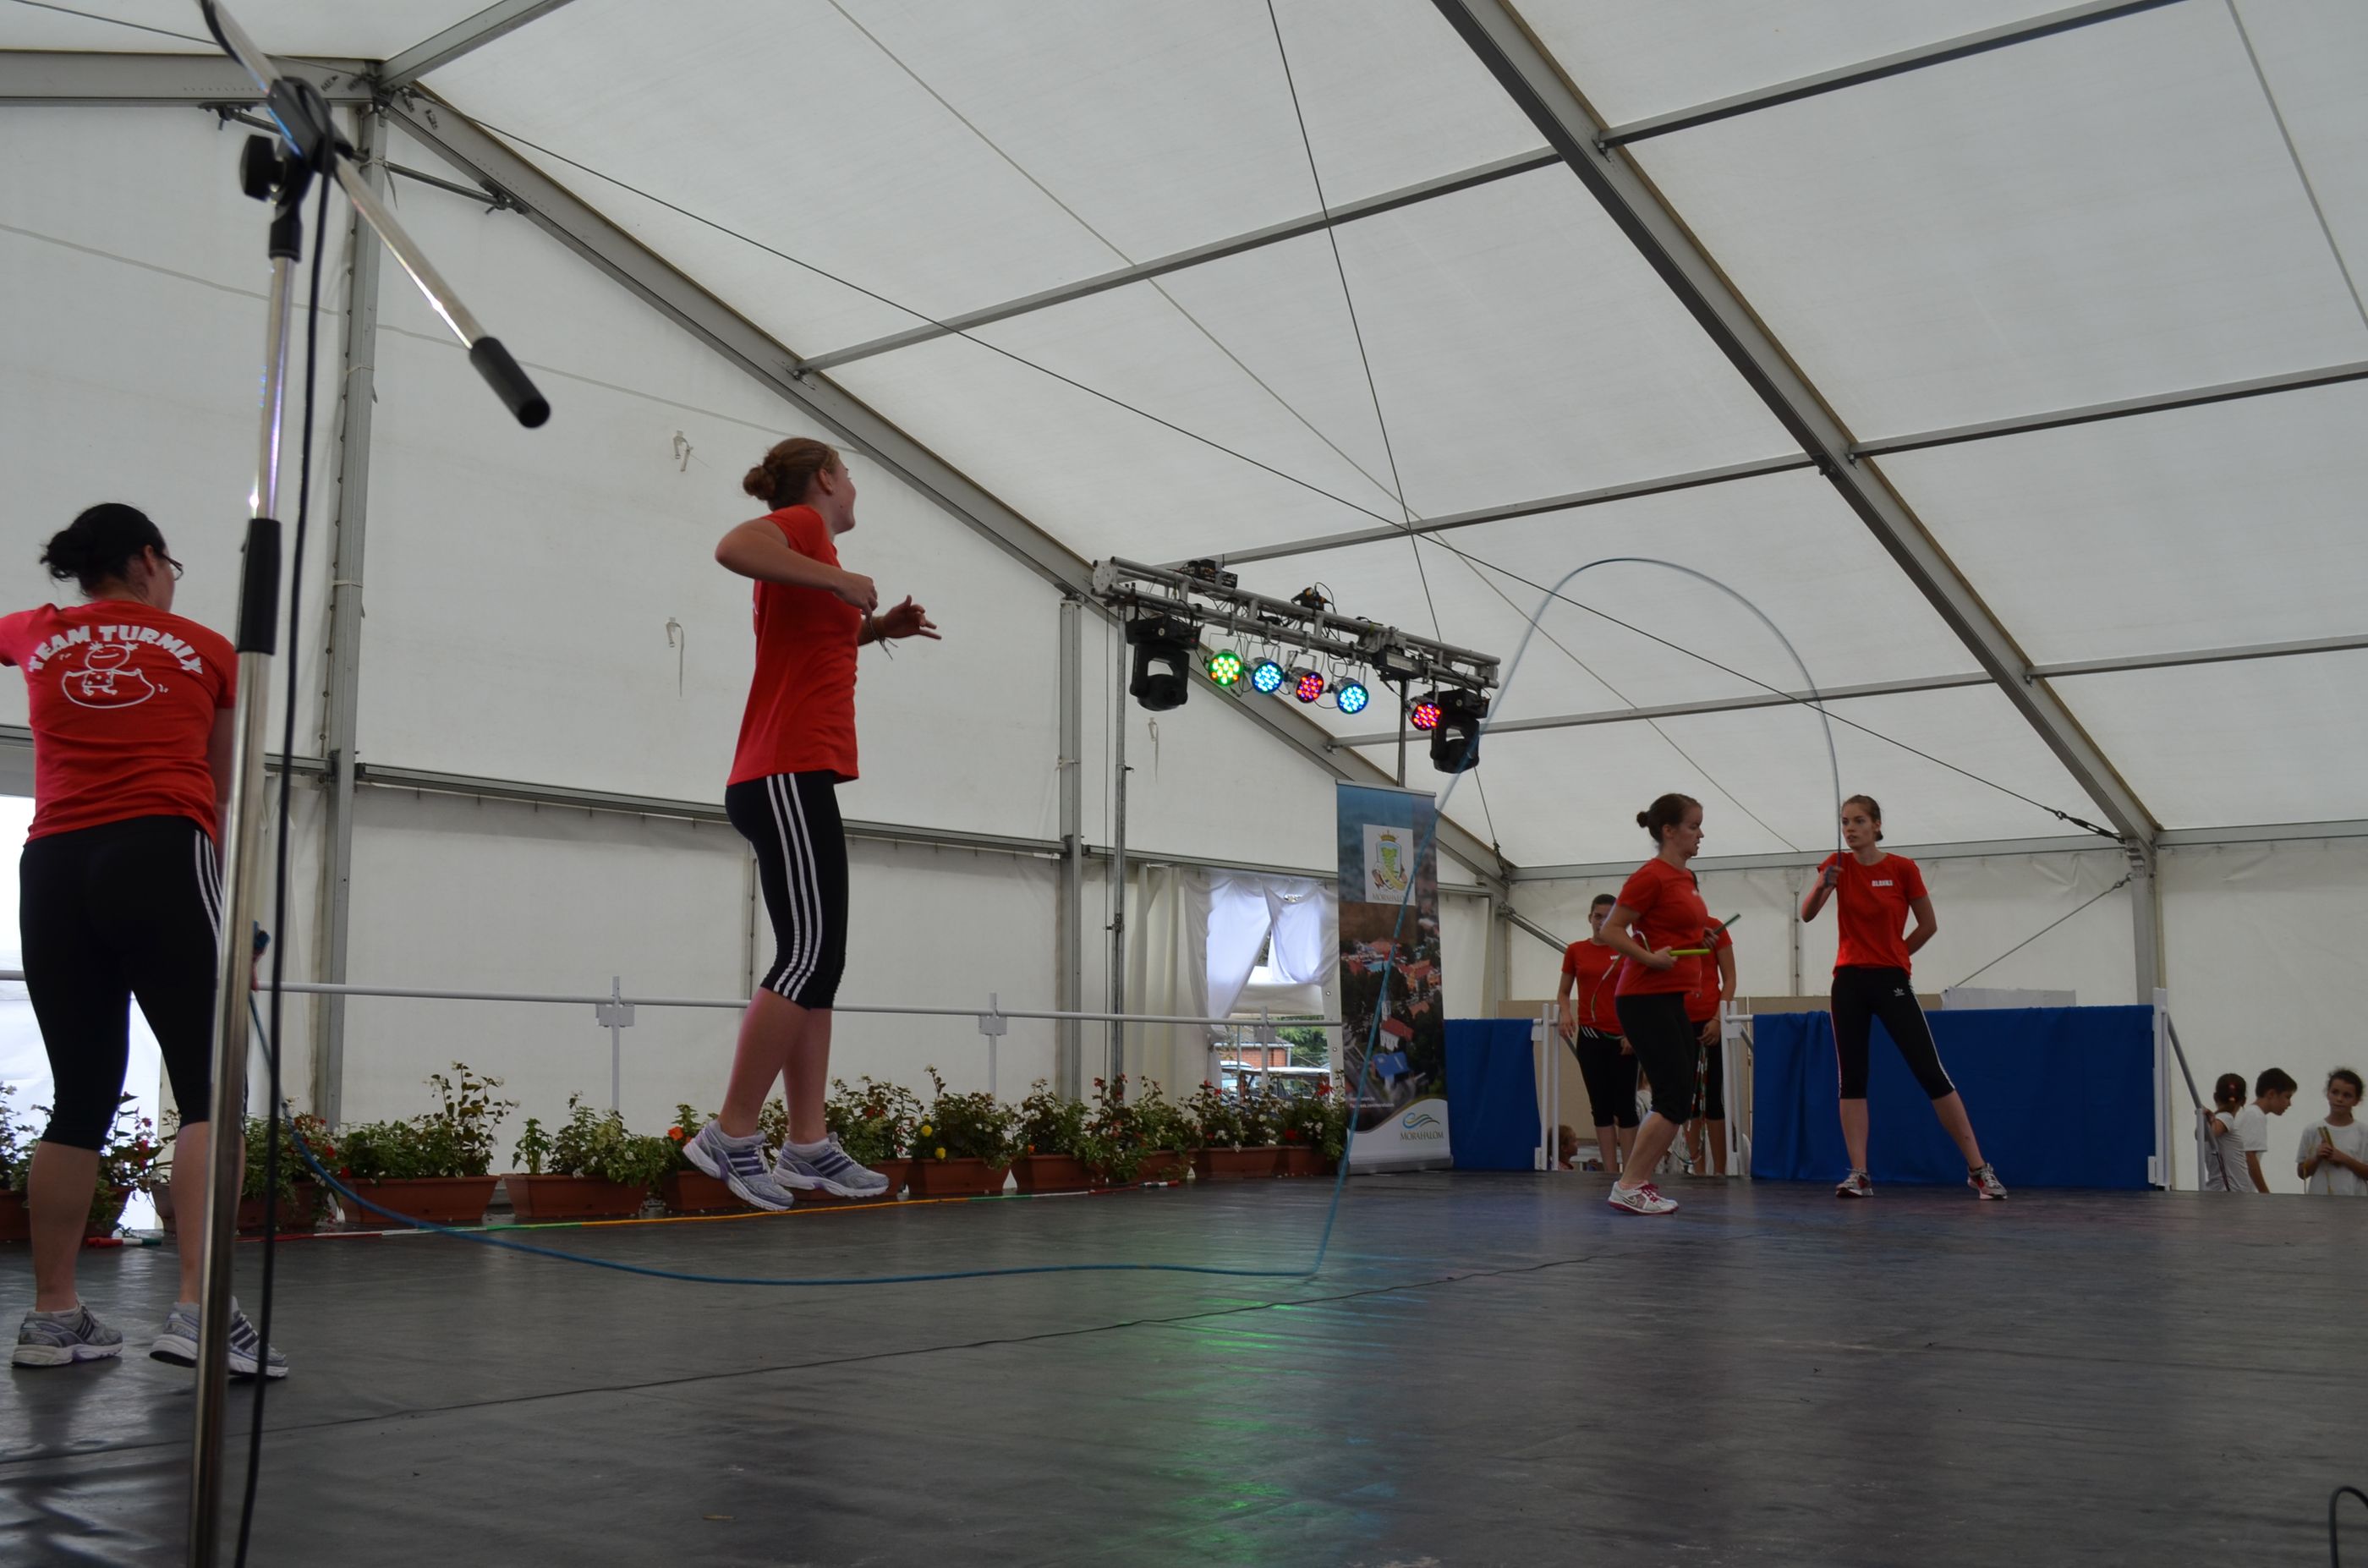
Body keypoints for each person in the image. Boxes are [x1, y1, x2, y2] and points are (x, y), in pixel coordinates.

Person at [3, 504, 284, 1376]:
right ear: (149, 561)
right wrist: (240, 926)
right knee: (209, 1091)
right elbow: (220, 792)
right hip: (161, 852)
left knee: (81, 1097)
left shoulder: (36, 631)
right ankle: (200, 1310)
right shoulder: (206, 649)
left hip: (53, 868)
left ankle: (55, 1315)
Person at [680, 439, 940, 1209]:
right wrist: (838, 579)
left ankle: (807, 1143)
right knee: (809, 955)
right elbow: (732, 547)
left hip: (793, 774)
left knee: (818, 966)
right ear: (825, 478)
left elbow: (809, 639)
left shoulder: (811, 554)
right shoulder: (800, 527)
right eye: (848, 474)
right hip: (784, 773)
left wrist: (877, 628)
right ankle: (730, 1134)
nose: (853, 487)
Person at [1799, 794, 2007, 1201]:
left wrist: (1897, 956)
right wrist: (1824, 885)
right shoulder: (1835, 865)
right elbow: (1807, 914)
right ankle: (1859, 1174)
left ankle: (1978, 1169)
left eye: (1859, 821)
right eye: (1845, 822)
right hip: (1849, 981)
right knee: (1851, 1077)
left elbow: (1928, 924)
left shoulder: (1902, 868)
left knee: (1930, 1070)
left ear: (1877, 825)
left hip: (1891, 979)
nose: (1850, 829)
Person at [1592, 793, 1724, 1216]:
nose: (1700, 834)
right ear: (1669, 831)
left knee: (1679, 1097)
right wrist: (1649, 959)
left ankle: (1635, 1182)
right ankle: (1629, 1184)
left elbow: (1672, 927)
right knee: (1671, 1095)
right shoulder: (1650, 876)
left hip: (1669, 998)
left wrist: (1696, 938)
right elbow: (1612, 930)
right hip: (1643, 997)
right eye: (1693, 826)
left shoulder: (1683, 878)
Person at [1556, 893, 1636, 1175]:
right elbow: (1563, 992)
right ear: (1590, 918)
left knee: (1626, 1107)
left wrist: (1633, 1032)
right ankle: (1610, 1172)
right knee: (1600, 1106)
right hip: (1591, 1037)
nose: (1602, 922)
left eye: (1608, 916)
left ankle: (1631, 1172)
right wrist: (1566, 1013)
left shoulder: (1630, 949)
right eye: (1598, 916)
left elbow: (1639, 995)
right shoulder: (1576, 950)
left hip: (1624, 1038)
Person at [1682, 918, 1736, 1178]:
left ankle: (1720, 1172)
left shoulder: (1715, 927)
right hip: (1681, 1022)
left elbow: (1730, 979)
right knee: (1688, 1101)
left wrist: (1717, 1019)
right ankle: (1699, 1170)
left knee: (1713, 1098)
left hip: (1711, 1021)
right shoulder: (1671, 928)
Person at [2294, 1068, 2366, 1198]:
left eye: (2347, 1095)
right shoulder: (2312, 1130)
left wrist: (2344, 1159)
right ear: (2327, 1094)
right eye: (2335, 1092)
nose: (2339, 1099)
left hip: (2354, 1202)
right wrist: (2317, 1157)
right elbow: (2302, 1173)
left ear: (2356, 1100)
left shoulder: (2363, 1132)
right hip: (2319, 1202)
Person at [2228, 1068, 2295, 1195]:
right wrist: (2265, 1193)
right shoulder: (2256, 1115)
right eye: (2287, 1097)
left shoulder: (2249, 1113)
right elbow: (2249, 1156)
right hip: (2239, 1192)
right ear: (2271, 1094)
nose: (2289, 1103)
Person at [2204, 1072, 2251, 1192]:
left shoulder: (2217, 1120)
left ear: (2215, 1097)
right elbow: (2210, 1134)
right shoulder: (2226, 1117)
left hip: (2221, 1192)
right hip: (2230, 1194)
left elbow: (2202, 1135)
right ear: (2244, 1101)